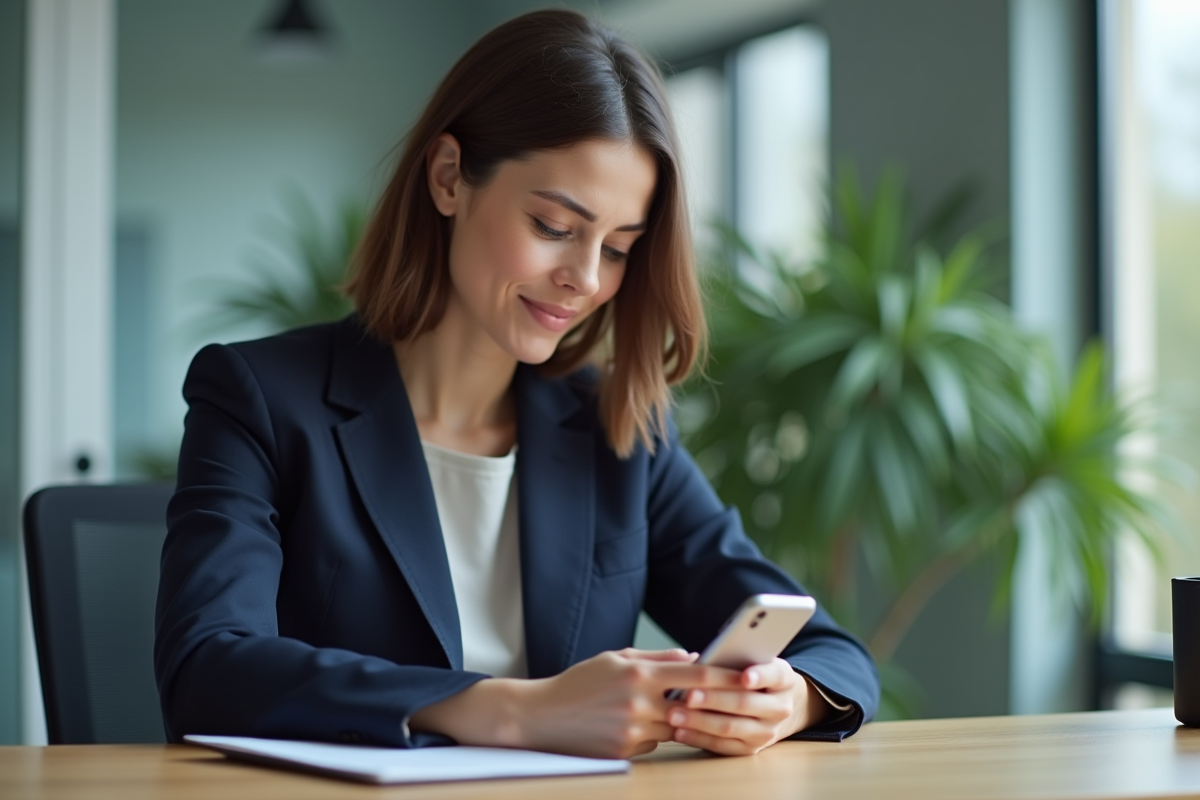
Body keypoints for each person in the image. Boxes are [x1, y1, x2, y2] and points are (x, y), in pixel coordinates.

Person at [154, 8, 879, 759]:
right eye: (554, 226)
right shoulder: (260, 399)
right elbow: (206, 668)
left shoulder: (618, 429)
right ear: (447, 179)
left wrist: (786, 699)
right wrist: (513, 711)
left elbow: (830, 651)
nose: (586, 279)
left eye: (620, 249)